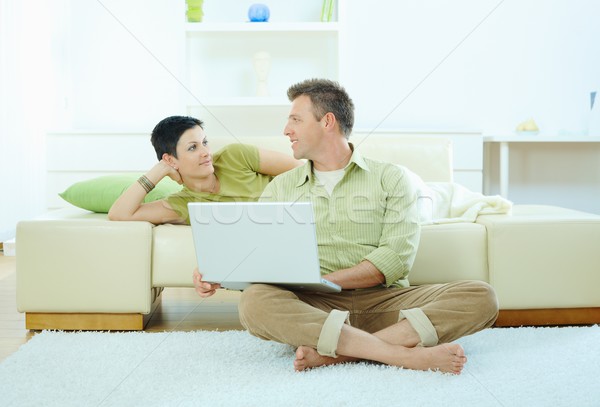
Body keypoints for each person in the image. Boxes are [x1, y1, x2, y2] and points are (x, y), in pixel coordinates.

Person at [193, 79, 499, 374]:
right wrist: (222, 272)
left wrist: (321, 278)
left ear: (327, 122)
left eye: (295, 120)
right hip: (315, 307)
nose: (287, 130)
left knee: (481, 296)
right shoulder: (281, 188)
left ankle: (337, 354)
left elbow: (393, 261)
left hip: (386, 300)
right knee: (254, 301)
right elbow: (260, 258)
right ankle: (396, 352)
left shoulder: (391, 178)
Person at [108, 115, 302, 224]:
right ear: (170, 159)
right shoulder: (183, 204)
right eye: (193, 147)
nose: (206, 152)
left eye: (204, 143)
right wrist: (159, 170)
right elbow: (120, 214)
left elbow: (300, 171)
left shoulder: (235, 156)